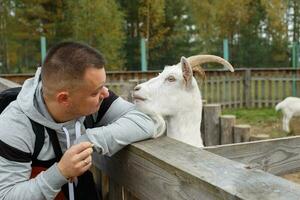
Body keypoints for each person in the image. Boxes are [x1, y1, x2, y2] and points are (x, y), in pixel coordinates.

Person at [0, 42, 155, 200]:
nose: (106, 93)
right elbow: (6, 195)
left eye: (104, 85)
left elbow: (147, 120)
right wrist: (61, 172)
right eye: (95, 92)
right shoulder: (15, 126)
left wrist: (88, 139)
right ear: (64, 98)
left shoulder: (94, 102)